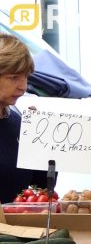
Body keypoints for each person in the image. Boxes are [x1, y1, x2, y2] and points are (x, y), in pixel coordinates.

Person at [0, 33, 46, 203]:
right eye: (14, 78)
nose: (23, 86)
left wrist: (40, 140)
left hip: (17, 219)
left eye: (26, 77)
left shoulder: (18, 122)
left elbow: (40, 186)